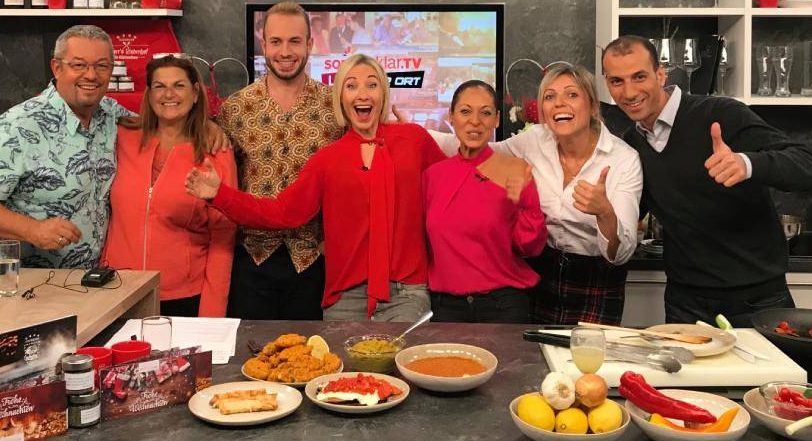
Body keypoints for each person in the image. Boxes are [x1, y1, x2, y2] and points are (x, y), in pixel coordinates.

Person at [189, 54, 446, 321]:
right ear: (340, 98)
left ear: (383, 93)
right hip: (346, 298)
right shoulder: (328, 159)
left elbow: (453, 184)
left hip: (406, 294)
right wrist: (220, 194)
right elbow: (282, 213)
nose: (362, 94)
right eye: (351, 86)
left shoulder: (414, 140)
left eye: (372, 85)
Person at [600, 35, 812, 326]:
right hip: (685, 302)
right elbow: (629, 215)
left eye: (639, 77)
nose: (629, 92)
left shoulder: (720, 114)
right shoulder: (631, 145)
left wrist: (747, 164)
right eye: (617, 81)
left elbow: (811, 166)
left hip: (758, 297)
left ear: (660, 74)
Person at [424, 65, 642, 325]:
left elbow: (622, 253)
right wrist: (415, 135)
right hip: (542, 275)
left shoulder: (623, 159)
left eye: (572, 94)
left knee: (587, 352)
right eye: (550, 96)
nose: (559, 103)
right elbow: (482, 147)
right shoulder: (534, 140)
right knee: (538, 351)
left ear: (593, 105)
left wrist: (605, 213)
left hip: (595, 277)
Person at [0, 25, 127, 269]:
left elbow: (162, 127)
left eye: (101, 66)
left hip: (83, 280)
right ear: (57, 68)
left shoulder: (111, 115)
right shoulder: (16, 125)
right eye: (78, 65)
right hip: (15, 279)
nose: (91, 75)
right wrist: (33, 230)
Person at [216, 2, 345, 320]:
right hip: (251, 260)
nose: (285, 52)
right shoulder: (235, 109)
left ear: (310, 44)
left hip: (314, 261)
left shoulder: (336, 107)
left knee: (312, 350)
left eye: (294, 41)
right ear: (264, 45)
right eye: (276, 41)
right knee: (250, 350)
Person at [102, 55, 237, 317]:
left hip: (184, 297)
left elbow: (223, 236)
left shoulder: (216, 151)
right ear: (149, 94)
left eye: (179, 85)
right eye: (159, 86)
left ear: (195, 93)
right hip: (118, 290)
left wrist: (212, 314)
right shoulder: (121, 136)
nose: (168, 94)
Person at [423, 80, 547, 323]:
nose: (475, 121)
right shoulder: (433, 176)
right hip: (446, 308)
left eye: (486, 113)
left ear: (497, 119)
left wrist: (525, 205)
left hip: (503, 306)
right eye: (465, 111)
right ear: (451, 116)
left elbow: (530, 248)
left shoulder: (515, 169)